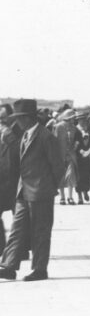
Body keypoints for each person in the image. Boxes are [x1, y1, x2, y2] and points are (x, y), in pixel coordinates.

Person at [0, 100, 66, 281]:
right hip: (23, 191)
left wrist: (48, 187)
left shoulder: (45, 136)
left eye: (19, 118)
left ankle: (39, 269)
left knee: (40, 231)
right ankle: (9, 266)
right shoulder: (24, 134)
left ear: (28, 118)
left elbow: (58, 166)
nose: (17, 122)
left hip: (40, 192)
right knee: (17, 229)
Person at [0, 105, 20, 251]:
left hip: (15, 179)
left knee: (19, 217)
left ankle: (21, 249)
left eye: (3, 118)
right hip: (2, 179)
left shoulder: (17, 131)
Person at [52, 109, 78, 205]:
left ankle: (70, 197)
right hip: (60, 155)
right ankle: (62, 197)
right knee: (61, 176)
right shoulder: (57, 127)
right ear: (68, 118)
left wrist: (76, 144)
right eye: (72, 118)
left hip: (71, 155)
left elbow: (76, 139)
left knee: (70, 175)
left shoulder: (74, 128)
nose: (74, 119)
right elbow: (54, 141)